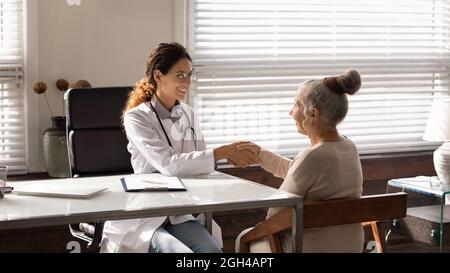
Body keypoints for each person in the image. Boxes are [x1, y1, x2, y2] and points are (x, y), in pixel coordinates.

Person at [100, 42, 258, 253]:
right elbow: (169, 165)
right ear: (158, 76)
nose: (188, 82)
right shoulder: (137, 118)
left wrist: (226, 157)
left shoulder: (188, 114)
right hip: (146, 211)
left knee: (210, 251)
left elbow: (200, 161)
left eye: (190, 75)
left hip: (179, 209)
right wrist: (220, 152)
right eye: (180, 75)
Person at [236, 69, 364, 253]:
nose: (291, 112)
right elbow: (304, 174)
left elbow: (275, 214)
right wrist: (261, 155)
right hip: (351, 246)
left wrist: (256, 232)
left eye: (296, 105)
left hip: (309, 248)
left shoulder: (312, 156)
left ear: (313, 113)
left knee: (245, 237)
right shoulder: (348, 147)